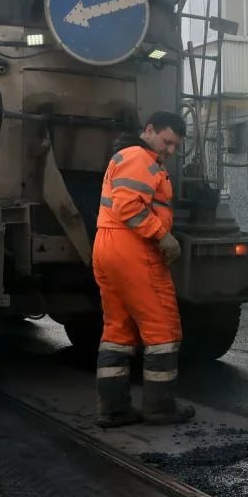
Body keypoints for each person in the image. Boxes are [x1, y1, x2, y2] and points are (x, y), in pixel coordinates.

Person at [93, 111, 195, 428]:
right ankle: (160, 408)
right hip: (132, 249)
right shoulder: (139, 157)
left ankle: (114, 410)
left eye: (176, 146)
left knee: (117, 333)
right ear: (149, 130)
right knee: (162, 329)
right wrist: (162, 236)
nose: (170, 151)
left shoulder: (130, 156)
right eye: (167, 142)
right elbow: (129, 206)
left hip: (109, 246)